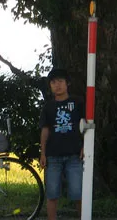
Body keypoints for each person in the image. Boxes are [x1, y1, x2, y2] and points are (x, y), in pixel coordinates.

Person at [39, 68, 84, 220]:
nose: (57, 85)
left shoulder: (77, 102)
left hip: (74, 155)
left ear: (67, 83)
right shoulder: (48, 107)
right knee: (52, 194)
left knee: (78, 192)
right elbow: (45, 130)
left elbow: (87, 125)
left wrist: (85, 146)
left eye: (60, 81)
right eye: (53, 82)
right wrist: (43, 153)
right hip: (53, 156)